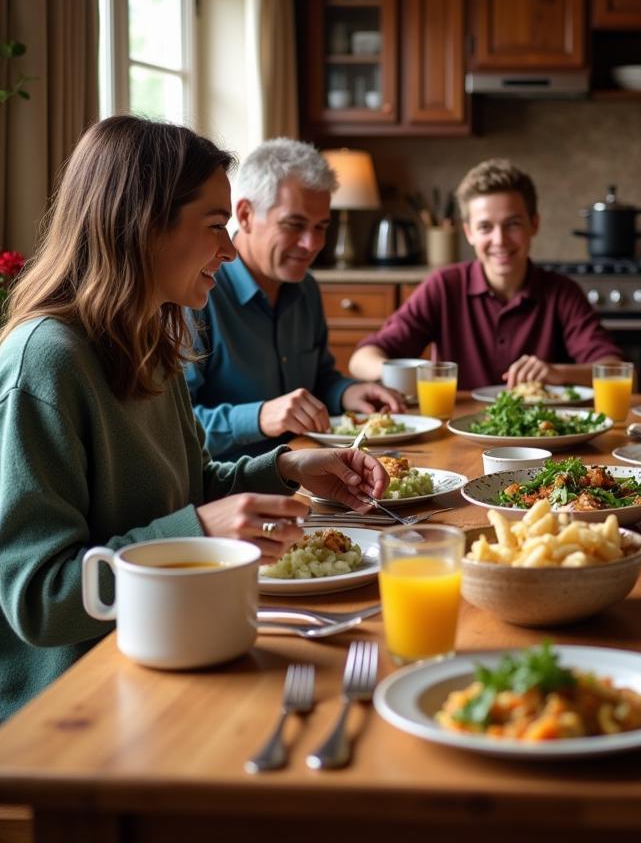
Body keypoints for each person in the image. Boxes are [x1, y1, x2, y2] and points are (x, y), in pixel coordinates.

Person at [0, 117, 389, 720]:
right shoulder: (46, 363)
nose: (230, 249)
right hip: (74, 702)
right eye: (215, 227)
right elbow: (39, 600)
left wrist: (288, 467)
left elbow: (190, 488)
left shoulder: (152, 336)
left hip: (169, 645)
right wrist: (195, 532)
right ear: (143, 227)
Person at [185, 138, 402, 461]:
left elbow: (319, 379)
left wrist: (347, 392)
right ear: (244, 215)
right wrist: (258, 418)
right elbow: (176, 427)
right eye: (294, 225)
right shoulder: (195, 294)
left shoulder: (306, 288)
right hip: (229, 491)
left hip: (308, 469)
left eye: (321, 227)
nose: (312, 243)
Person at [348, 159, 623, 391]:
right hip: (456, 434)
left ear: (534, 224)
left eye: (512, 224)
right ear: (469, 232)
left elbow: (616, 371)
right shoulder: (444, 286)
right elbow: (361, 360)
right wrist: (411, 372)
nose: (500, 240)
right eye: (485, 227)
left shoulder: (562, 292)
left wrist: (558, 373)